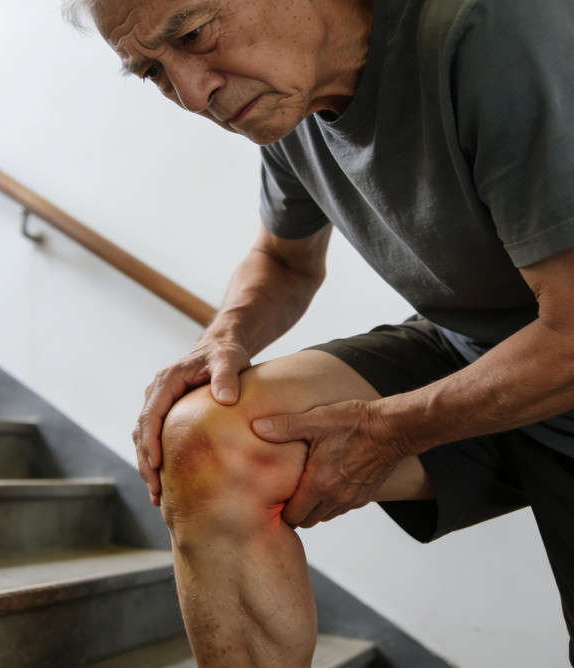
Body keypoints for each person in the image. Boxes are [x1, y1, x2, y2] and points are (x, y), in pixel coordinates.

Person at [66, 0, 574, 665]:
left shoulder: (492, 28)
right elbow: (283, 260)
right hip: (475, 347)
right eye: (152, 72)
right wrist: (226, 333)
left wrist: (391, 430)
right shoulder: (288, 100)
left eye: (193, 35)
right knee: (207, 444)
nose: (192, 94)